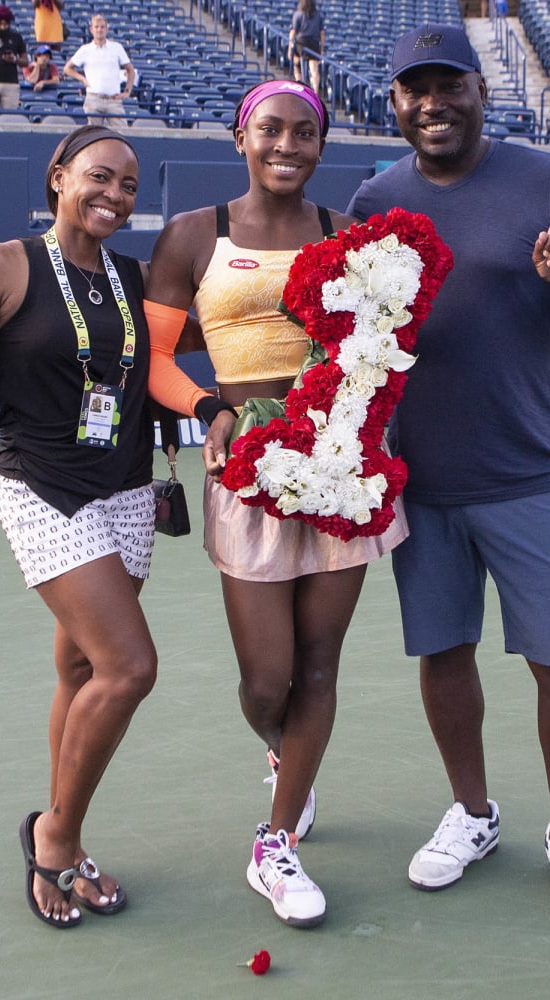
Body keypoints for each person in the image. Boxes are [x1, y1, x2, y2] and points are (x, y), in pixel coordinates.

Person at [346, 24, 550, 929]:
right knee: (442, 654)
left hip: (530, 474)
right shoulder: (373, 197)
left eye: (449, 85)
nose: (432, 102)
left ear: (480, 89)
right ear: (394, 102)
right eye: (413, 88)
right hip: (419, 483)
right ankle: (472, 814)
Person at [141, 79, 407, 930]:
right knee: (268, 679)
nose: (286, 145)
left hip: (342, 463)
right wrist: (209, 409)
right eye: (270, 131)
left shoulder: (348, 235)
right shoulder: (192, 235)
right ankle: (282, 752)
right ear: (240, 138)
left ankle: (276, 839)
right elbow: (153, 362)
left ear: (322, 147)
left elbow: (379, 340)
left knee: (320, 664)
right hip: (248, 465)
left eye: (304, 133)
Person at [0, 125, 155, 931]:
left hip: (124, 491)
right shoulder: (2, 263)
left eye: (128, 185)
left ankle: (68, 833)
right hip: (43, 490)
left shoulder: (131, 276)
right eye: (98, 177)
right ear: (58, 177)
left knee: (83, 674)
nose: (115, 195)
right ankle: (53, 836)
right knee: (129, 668)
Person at [66, 13, 137, 128]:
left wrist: (127, 91)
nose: (99, 30)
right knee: (93, 135)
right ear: (91, 29)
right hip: (94, 98)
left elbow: (130, 70)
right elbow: (67, 68)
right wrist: (81, 78)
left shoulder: (117, 47)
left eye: (102, 27)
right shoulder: (85, 49)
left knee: (121, 132)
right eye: (96, 27)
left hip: (113, 99)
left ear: (107, 29)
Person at [288, 0, 325, 91]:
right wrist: (322, 48)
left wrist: (289, 48)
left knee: (297, 65)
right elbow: (322, 33)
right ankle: (315, 91)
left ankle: (298, 84)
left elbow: (293, 32)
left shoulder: (298, 14)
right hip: (314, 44)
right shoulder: (318, 15)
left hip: (301, 43)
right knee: (314, 69)